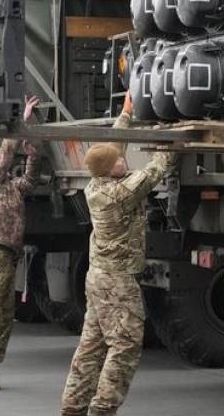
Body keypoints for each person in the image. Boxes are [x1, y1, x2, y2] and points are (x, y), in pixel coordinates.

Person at [61, 94, 177, 416]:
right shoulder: (120, 193)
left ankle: (73, 408)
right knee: (124, 345)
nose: (124, 160)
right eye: (118, 161)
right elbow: (155, 171)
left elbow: (115, 148)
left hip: (98, 280)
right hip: (117, 283)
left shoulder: (97, 185)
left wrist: (125, 115)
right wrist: (171, 139)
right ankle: (103, 409)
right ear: (111, 170)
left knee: (91, 346)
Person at [0, 95, 41, 390]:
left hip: (10, 253)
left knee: (5, 314)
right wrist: (23, 121)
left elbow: (30, 179)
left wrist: (32, 154)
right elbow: (4, 155)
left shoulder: (13, 189)